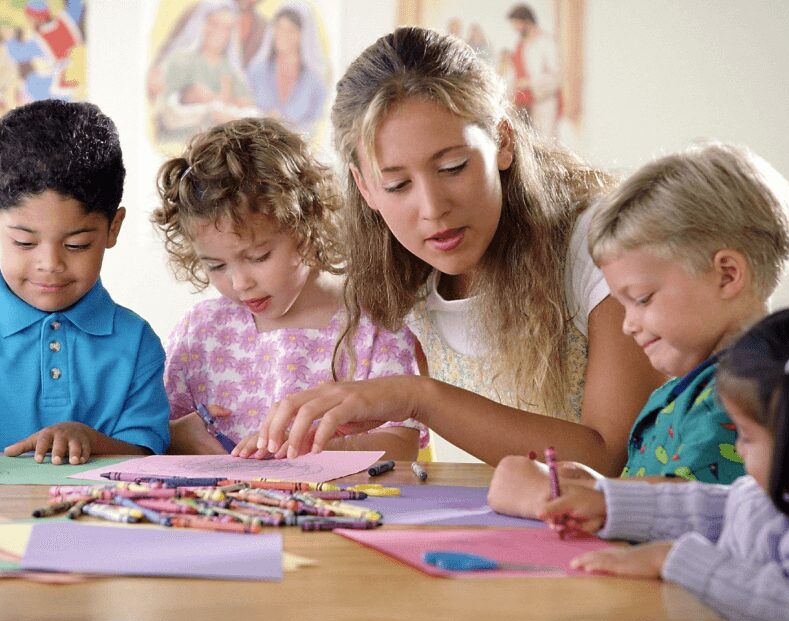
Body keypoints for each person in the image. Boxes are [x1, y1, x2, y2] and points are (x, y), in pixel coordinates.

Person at [241, 26, 663, 469]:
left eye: (453, 167)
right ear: (365, 187)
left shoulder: (600, 243)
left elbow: (610, 457)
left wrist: (416, 397)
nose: (432, 208)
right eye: (397, 184)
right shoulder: (400, 281)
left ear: (503, 141)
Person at [488, 141, 789, 514]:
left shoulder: (738, 397)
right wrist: (596, 485)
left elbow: (691, 508)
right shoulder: (693, 387)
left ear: (727, 274)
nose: (628, 326)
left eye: (642, 299)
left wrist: (566, 497)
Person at [497, 306, 789, 621]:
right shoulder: (765, 494)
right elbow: (716, 509)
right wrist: (609, 503)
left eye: (747, 436)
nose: (739, 449)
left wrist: (673, 559)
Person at [151, 116, 426, 460]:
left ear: (306, 226)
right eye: (216, 266)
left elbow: (401, 446)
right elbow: (155, 434)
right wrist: (175, 436)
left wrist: (306, 449)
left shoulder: (373, 325)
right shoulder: (201, 332)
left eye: (259, 256)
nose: (240, 283)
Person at [0, 99, 170, 464]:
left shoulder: (137, 343)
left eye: (77, 244)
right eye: (24, 243)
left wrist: (89, 439)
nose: (50, 264)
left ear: (114, 228)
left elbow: (146, 451)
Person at [154, 0, 256, 143]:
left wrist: (227, 109)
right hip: (178, 147)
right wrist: (204, 109)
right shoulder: (180, 61)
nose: (219, 32)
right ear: (202, 25)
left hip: (222, 153)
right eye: (214, 24)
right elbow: (167, 115)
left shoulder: (232, 71)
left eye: (226, 28)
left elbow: (250, 115)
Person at [245, 3, 328, 133]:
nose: (282, 35)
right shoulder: (256, 71)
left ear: (303, 35)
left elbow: (318, 125)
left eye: (290, 30)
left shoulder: (315, 81)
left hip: (298, 150)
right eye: (278, 28)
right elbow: (242, 112)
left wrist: (288, 126)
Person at [506, 3, 561, 138]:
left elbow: (557, 77)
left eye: (517, 24)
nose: (516, 29)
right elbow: (515, 73)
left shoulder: (546, 43)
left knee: (545, 144)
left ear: (527, 21)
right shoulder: (522, 45)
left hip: (543, 104)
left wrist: (530, 83)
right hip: (523, 105)